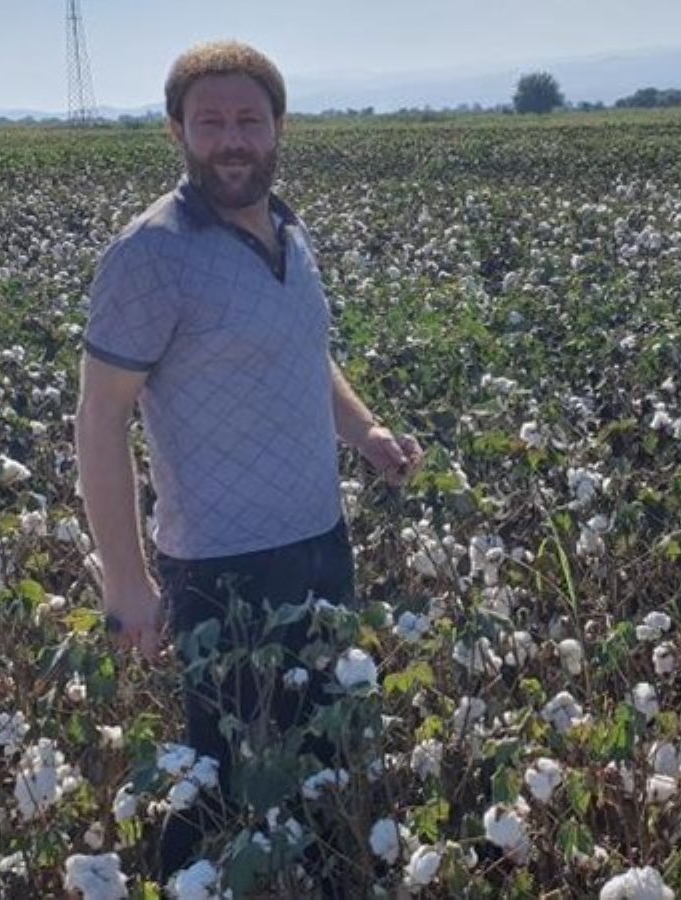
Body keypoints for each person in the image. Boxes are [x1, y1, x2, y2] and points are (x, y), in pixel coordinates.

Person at [72, 40, 422, 890]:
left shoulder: (290, 232)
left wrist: (366, 431)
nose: (233, 139)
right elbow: (100, 418)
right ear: (177, 133)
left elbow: (307, 356)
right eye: (212, 122)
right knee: (226, 770)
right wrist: (126, 582)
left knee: (327, 746)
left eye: (248, 120)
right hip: (220, 566)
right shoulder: (150, 256)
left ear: (278, 129)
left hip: (319, 540)